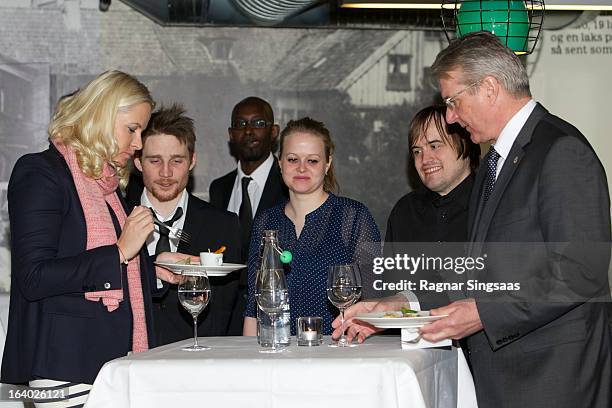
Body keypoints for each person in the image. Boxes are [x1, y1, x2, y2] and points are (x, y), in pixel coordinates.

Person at [390, 32, 610, 408]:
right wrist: (399, 306)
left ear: (489, 88)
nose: (450, 117)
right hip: (507, 376)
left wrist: (481, 313)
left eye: (453, 101)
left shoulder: (561, 151)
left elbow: (580, 272)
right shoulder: (495, 162)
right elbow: (478, 271)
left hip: (551, 378)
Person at [0, 71, 187, 405]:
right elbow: (34, 277)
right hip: (64, 365)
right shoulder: (40, 173)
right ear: (101, 114)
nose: (139, 144)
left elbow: (114, 266)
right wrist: (118, 251)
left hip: (111, 360)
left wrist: (156, 269)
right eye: (132, 129)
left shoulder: (108, 187)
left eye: (141, 132)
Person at [339, 105, 481, 339]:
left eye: (435, 145)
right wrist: (382, 310)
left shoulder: (493, 205)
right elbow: (394, 290)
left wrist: (405, 302)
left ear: (465, 142)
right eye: (417, 151)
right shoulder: (405, 211)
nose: (425, 159)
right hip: (417, 356)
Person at [243, 117, 381, 336]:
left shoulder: (354, 216)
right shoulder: (265, 222)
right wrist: (250, 363)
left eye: (313, 161)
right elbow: (253, 308)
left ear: (327, 163)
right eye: (292, 159)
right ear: (279, 163)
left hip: (339, 356)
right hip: (277, 358)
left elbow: (376, 302)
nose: (301, 168)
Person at [131, 104, 242, 344]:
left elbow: (228, 313)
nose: (166, 172)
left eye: (177, 161)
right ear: (138, 162)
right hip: (129, 361)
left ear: (192, 161)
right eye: (154, 161)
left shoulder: (225, 226)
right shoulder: (116, 219)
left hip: (200, 367)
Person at [209, 96, 288, 334]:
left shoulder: (290, 184)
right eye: (241, 124)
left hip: (276, 312)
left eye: (258, 123)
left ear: (274, 131)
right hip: (225, 317)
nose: (249, 131)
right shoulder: (219, 188)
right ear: (231, 134)